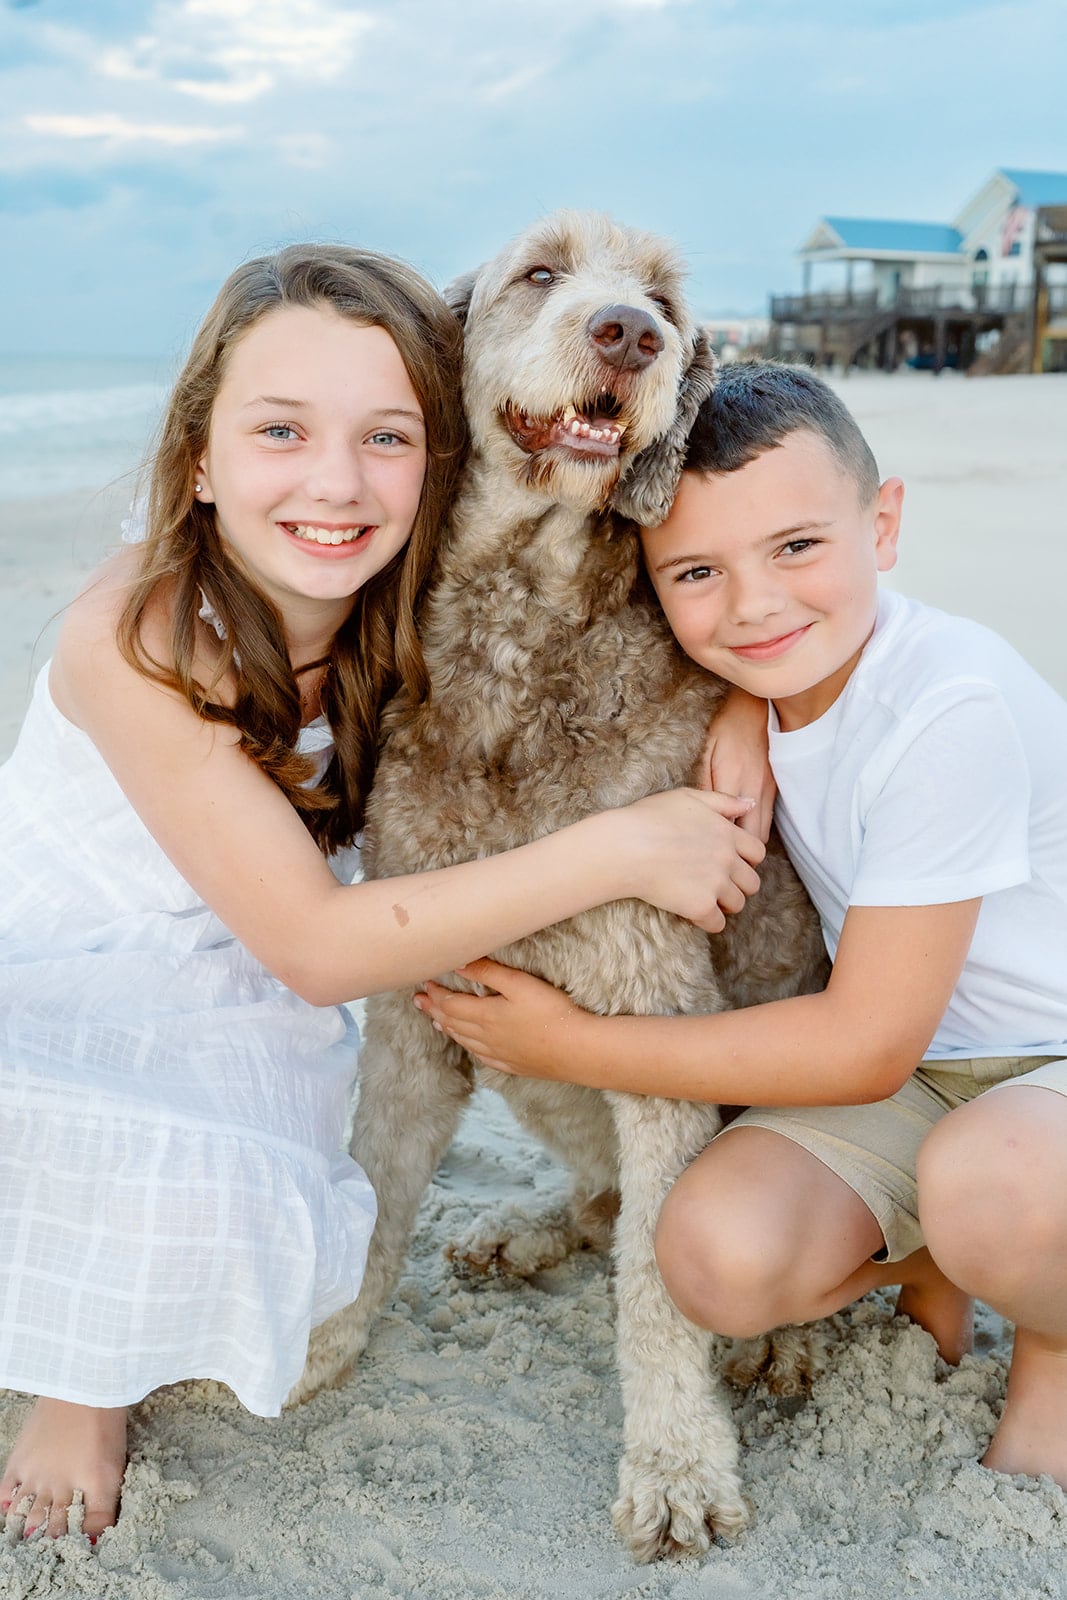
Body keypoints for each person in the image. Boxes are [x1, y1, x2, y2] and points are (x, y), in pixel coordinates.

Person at [0, 246, 767, 1544]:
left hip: (245, 988)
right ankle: (80, 1384)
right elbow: (311, 944)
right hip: (85, 968)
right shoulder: (133, 626)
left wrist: (743, 700)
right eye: (279, 431)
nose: (335, 481)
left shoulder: (391, 593)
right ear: (196, 458)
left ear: (440, 445)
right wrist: (626, 849)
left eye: (386, 436)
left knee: (250, 1158)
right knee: (128, 1147)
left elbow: (753, 546)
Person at [415, 361, 1067, 1489]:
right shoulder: (763, 675)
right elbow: (885, 1059)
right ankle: (929, 1260)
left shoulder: (949, 706)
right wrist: (737, 700)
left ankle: (1050, 1347)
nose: (754, 604)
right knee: (711, 1260)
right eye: (696, 572)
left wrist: (569, 1047)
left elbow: (863, 1041)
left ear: (885, 521)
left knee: (992, 1192)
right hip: (918, 1075)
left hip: (1036, 1066)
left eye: (798, 549)